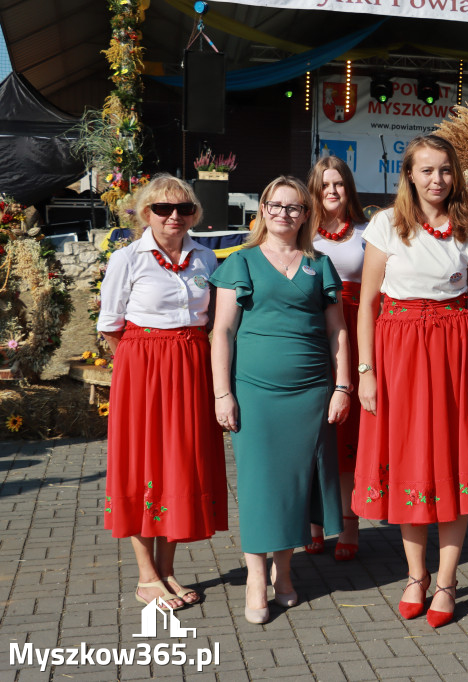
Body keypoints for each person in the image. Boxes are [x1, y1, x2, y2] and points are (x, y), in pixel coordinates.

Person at [353, 134, 468, 628]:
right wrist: (366, 372)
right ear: (409, 176)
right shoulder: (386, 226)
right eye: (428, 170)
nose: (438, 180)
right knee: (410, 462)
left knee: (455, 463)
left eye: (445, 170)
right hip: (399, 353)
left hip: (455, 352)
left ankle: (446, 581)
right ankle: (415, 575)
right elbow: (368, 305)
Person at [209, 176, 352, 624]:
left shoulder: (320, 264)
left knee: (295, 487)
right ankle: (256, 577)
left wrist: (343, 386)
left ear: (306, 214)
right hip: (255, 393)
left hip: (311, 394)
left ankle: (285, 573)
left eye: (294, 207)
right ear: (263, 210)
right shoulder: (242, 263)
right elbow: (222, 332)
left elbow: (338, 331)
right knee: (258, 486)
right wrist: (222, 393)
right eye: (275, 205)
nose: (284, 214)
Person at [98, 174, 228, 610]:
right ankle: (146, 574)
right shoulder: (127, 259)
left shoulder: (206, 260)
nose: (174, 217)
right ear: (145, 213)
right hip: (144, 369)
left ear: (195, 214)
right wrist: (141, 368)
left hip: (191, 365)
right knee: (141, 465)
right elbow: (110, 326)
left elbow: (216, 322)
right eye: (163, 209)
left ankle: (168, 568)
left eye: (184, 209)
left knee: (180, 465)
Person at [304, 155, 369, 561]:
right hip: (310, 335)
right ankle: (313, 523)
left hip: (357, 331)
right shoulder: (300, 232)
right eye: (325, 184)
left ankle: (349, 524)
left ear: (349, 189)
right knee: (311, 432)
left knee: (347, 434)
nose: (332, 191)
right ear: (314, 190)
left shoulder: (368, 231)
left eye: (339, 184)